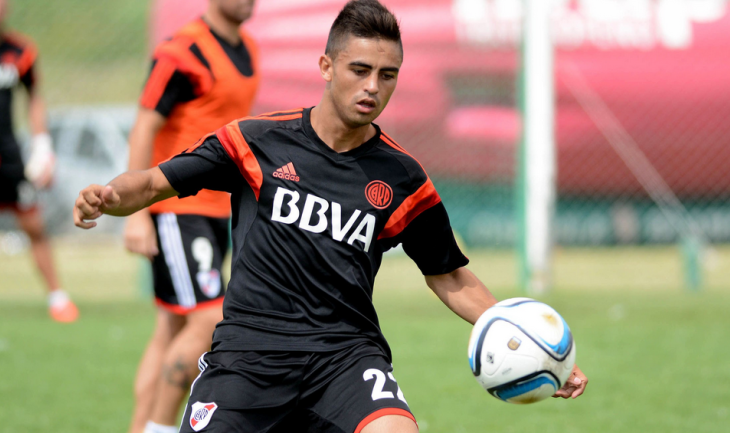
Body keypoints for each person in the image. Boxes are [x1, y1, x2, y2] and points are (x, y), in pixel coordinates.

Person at [74, 1, 587, 431]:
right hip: (249, 357)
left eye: (387, 75)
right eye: (359, 70)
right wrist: (108, 196)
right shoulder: (254, 142)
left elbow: (448, 274)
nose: (372, 87)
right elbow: (152, 183)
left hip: (345, 357)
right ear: (326, 66)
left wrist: (535, 346)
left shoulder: (403, 177)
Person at [122, 0, 259, 432]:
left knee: (170, 328)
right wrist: (136, 214)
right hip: (179, 210)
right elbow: (144, 126)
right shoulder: (181, 51)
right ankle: (161, 427)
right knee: (209, 319)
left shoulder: (249, 49)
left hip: (219, 211)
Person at [0, 0, 78, 323]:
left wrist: (42, 147)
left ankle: (57, 297)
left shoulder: (19, 51)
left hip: (7, 157)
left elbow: (34, 98)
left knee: (34, 224)